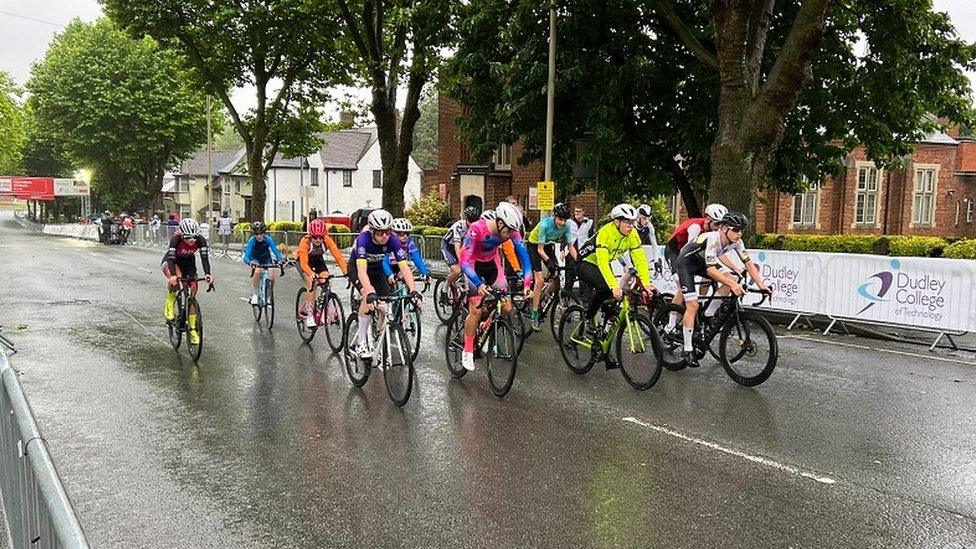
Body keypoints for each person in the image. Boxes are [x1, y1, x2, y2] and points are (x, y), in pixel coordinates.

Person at [671, 212, 770, 367]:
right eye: (736, 230)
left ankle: (709, 314)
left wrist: (762, 285)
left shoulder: (737, 242)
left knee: (734, 278)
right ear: (724, 228)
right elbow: (710, 271)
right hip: (686, 264)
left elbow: (749, 265)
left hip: (703, 262)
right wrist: (731, 285)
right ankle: (688, 349)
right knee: (693, 305)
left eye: (741, 230)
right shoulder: (712, 238)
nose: (739, 234)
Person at [575, 204, 654, 368]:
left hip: (602, 264)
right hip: (586, 263)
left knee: (612, 310)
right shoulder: (606, 232)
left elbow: (640, 259)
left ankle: (603, 348)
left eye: (632, 223)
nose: (631, 226)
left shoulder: (632, 235)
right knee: (605, 288)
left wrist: (646, 282)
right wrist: (614, 286)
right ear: (616, 222)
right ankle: (588, 316)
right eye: (627, 222)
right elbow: (603, 262)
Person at [458, 202, 532, 371]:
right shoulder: (477, 228)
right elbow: (464, 259)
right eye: (507, 231)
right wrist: (478, 283)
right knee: (475, 309)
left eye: (512, 232)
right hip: (473, 265)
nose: (509, 236)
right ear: (499, 222)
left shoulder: (511, 231)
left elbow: (525, 258)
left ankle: (486, 325)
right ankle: (468, 349)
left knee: (506, 307)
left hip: (492, 264)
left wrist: (527, 284)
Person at [348, 210, 423, 358]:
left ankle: (379, 334)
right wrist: (369, 291)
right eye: (380, 233)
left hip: (376, 267)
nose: (385, 237)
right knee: (366, 295)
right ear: (372, 231)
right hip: (357, 267)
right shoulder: (364, 240)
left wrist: (414, 290)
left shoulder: (392, 240)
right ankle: (361, 342)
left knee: (385, 304)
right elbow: (362, 271)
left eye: (388, 232)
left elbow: (404, 267)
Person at [526, 202, 577, 331]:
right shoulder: (545, 224)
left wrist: (579, 261)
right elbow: (540, 250)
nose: (562, 223)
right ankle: (535, 313)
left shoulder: (566, 226)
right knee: (540, 280)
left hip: (548, 245)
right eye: (560, 219)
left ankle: (543, 297)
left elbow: (570, 247)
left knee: (557, 277)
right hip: (534, 246)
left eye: (564, 220)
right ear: (554, 216)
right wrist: (549, 261)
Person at [162, 218, 214, 345]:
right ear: (181, 234)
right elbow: (171, 259)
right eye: (188, 238)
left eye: (194, 237)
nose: (192, 241)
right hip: (172, 262)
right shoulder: (176, 240)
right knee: (176, 281)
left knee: (193, 290)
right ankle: (169, 303)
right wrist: (173, 276)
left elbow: (204, 258)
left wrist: (208, 274)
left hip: (188, 263)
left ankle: (192, 328)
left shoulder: (201, 240)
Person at [297, 218, 348, 327]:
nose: (318, 240)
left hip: (317, 259)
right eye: (315, 237)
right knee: (312, 282)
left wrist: (345, 270)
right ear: (311, 236)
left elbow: (338, 257)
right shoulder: (305, 242)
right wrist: (311, 274)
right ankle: (310, 314)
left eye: (321, 237)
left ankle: (325, 304)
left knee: (325, 278)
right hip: (304, 261)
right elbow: (304, 264)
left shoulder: (327, 240)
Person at [441, 206, 480, 300]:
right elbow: (457, 246)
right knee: (457, 270)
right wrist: (462, 262)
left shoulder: (477, 228)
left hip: (463, 248)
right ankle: (444, 289)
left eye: (474, 221)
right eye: (470, 221)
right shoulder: (458, 226)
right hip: (448, 247)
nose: (472, 224)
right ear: (466, 219)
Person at [242, 221, 285, 305]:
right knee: (258, 271)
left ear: (264, 233)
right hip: (255, 259)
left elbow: (276, 251)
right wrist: (250, 262)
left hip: (266, 257)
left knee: (272, 273)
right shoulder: (252, 241)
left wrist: (280, 260)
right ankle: (255, 294)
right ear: (253, 234)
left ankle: (269, 294)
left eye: (261, 234)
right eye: (256, 234)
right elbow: (246, 256)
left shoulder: (268, 239)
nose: (259, 236)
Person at [565, 206, 593, 294]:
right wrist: (562, 249)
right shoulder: (569, 222)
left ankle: (583, 297)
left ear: (583, 212)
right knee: (569, 277)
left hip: (583, 252)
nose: (576, 213)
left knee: (583, 277)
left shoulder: (589, 223)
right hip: (570, 252)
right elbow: (564, 236)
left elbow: (591, 238)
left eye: (579, 211)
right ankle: (566, 296)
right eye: (575, 211)